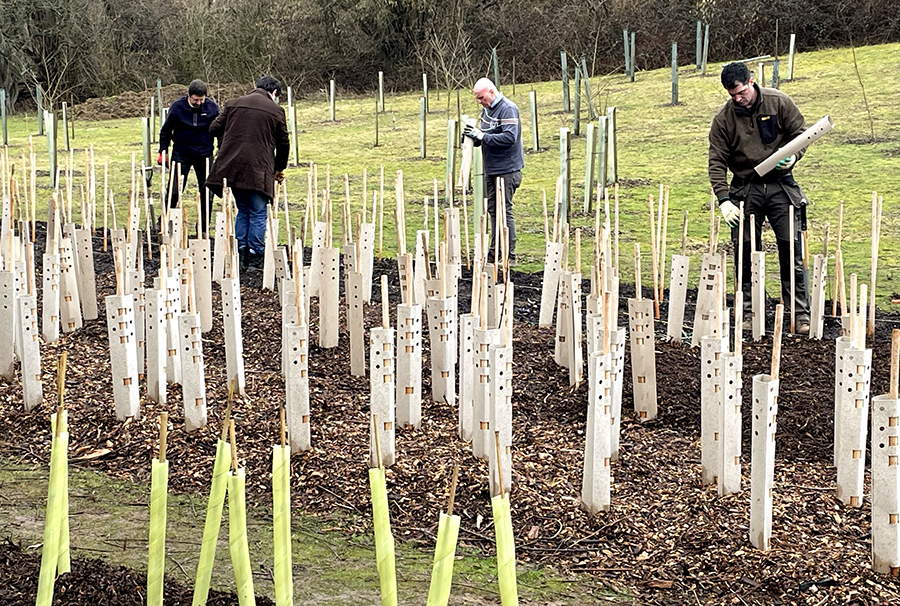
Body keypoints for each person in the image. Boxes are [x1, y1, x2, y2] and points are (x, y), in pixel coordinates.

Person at [709, 62, 810, 335]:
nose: (738, 99)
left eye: (741, 92)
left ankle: (799, 314)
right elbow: (716, 161)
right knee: (745, 253)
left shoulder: (779, 102)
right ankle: (751, 313)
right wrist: (724, 200)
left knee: (792, 250)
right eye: (733, 96)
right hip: (745, 188)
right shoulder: (724, 119)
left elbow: (800, 135)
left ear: (751, 82)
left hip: (780, 185)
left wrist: (793, 157)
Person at [206, 75, 290, 271]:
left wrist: (226, 142)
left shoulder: (233, 104)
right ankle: (255, 257)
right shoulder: (276, 110)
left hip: (233, 168)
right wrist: (280, 168)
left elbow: (213, 128)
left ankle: (241, 252)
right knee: (258, 213)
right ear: (274, 92)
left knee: (243, 210)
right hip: (259, 169)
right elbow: (283, 143)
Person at [463, 78, 524, 264]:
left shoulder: (507, 108)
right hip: (492, 168)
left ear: (491, 92)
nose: (479, 102)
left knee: (503, 211)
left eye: (481, 97)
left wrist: (482, 135)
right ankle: (494, 251)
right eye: (477, 99)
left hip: (507, 169)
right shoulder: (487, 110)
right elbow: (489, 136)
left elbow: (509, 137)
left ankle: (508, 255)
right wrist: (473, 138)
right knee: (493, 210)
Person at [158, 79, 219, 235]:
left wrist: (221, 149)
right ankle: (167, 223)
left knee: (207, 192)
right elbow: (166, 131)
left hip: (204, 155)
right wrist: (162, 151)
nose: (199, 102)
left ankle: (203, 228)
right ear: (188, 96)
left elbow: (220, 130)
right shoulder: (177, 108)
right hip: (181, 154)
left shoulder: (212, 108)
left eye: (201, 99)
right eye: (195, 100)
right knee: (174, 191)